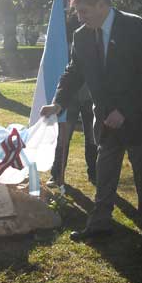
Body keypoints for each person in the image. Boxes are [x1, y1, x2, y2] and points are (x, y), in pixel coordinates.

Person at [41, 0, 142, 249]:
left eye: (83, 11)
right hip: (106, 121)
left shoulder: (136, 27)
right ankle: (99, 224)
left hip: (139, 118)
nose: (79, 18)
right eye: (77, 13)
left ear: (101, 4)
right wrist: (58, 103)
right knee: (104, 174)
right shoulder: (82, 35)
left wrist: (125, 111)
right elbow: (73, 72)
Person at [48, 9, 97, 187]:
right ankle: (57, 174)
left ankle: (94, 173)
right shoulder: (62, 42)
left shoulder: (92, 36)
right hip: (70, 98)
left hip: (90, 96)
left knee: (92, 136)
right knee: (63, 137)